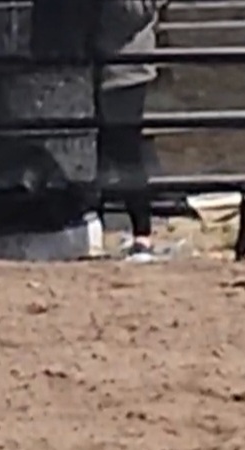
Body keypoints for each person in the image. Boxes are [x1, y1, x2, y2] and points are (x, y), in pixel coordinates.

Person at [96, 0, 162, 261]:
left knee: (126, 149)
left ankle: (141, 233)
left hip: (124, 70)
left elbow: (135, 12)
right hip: (93, 65)